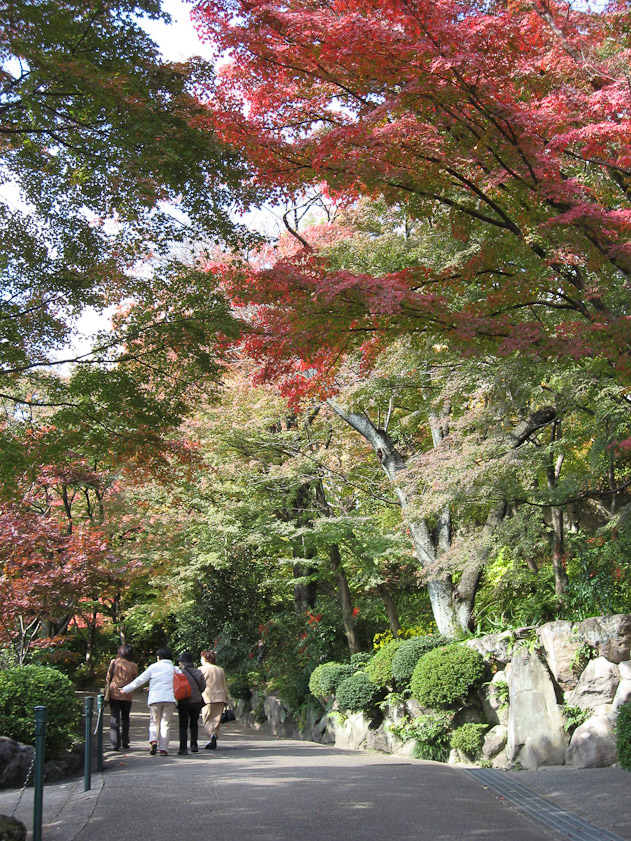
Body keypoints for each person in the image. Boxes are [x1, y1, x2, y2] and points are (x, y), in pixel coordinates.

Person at [120, 647, 181, 756]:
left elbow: (140, 680)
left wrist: (125, 689)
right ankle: (163, 749)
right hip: (170, 699)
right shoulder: (175, 669)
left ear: (159, 657)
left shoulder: (153, 667)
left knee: (154, 721)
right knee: (165, 724)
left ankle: (153, 741)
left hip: (155, 698)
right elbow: (181, 682)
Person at [105, 644, 138, 751]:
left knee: (114, 717)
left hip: (114, 692)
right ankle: (125, 742)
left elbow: (108, 677)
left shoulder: (114, 662)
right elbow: (135, 679)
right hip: (127, 693)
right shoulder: (134, 665)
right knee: (125, 718)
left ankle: (115, 743)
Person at [176, 651, 206, 755]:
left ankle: (183, 748)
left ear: (183, 663)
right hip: (197, 701)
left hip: (184, 701)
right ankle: (194, 745)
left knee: (183, 725)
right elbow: (203, 686)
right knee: (194, 724)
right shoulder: (198, 672)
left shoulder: (180, 673)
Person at [199, 649, 229, 750]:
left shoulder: (201, 669)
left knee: (207, 719)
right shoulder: (220, 669)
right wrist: (226, 698)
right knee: (216, 719)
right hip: (220, 697)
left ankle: (210, 736)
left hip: (206, 697)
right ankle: (214, 734)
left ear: (205, 658)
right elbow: (224, 685)